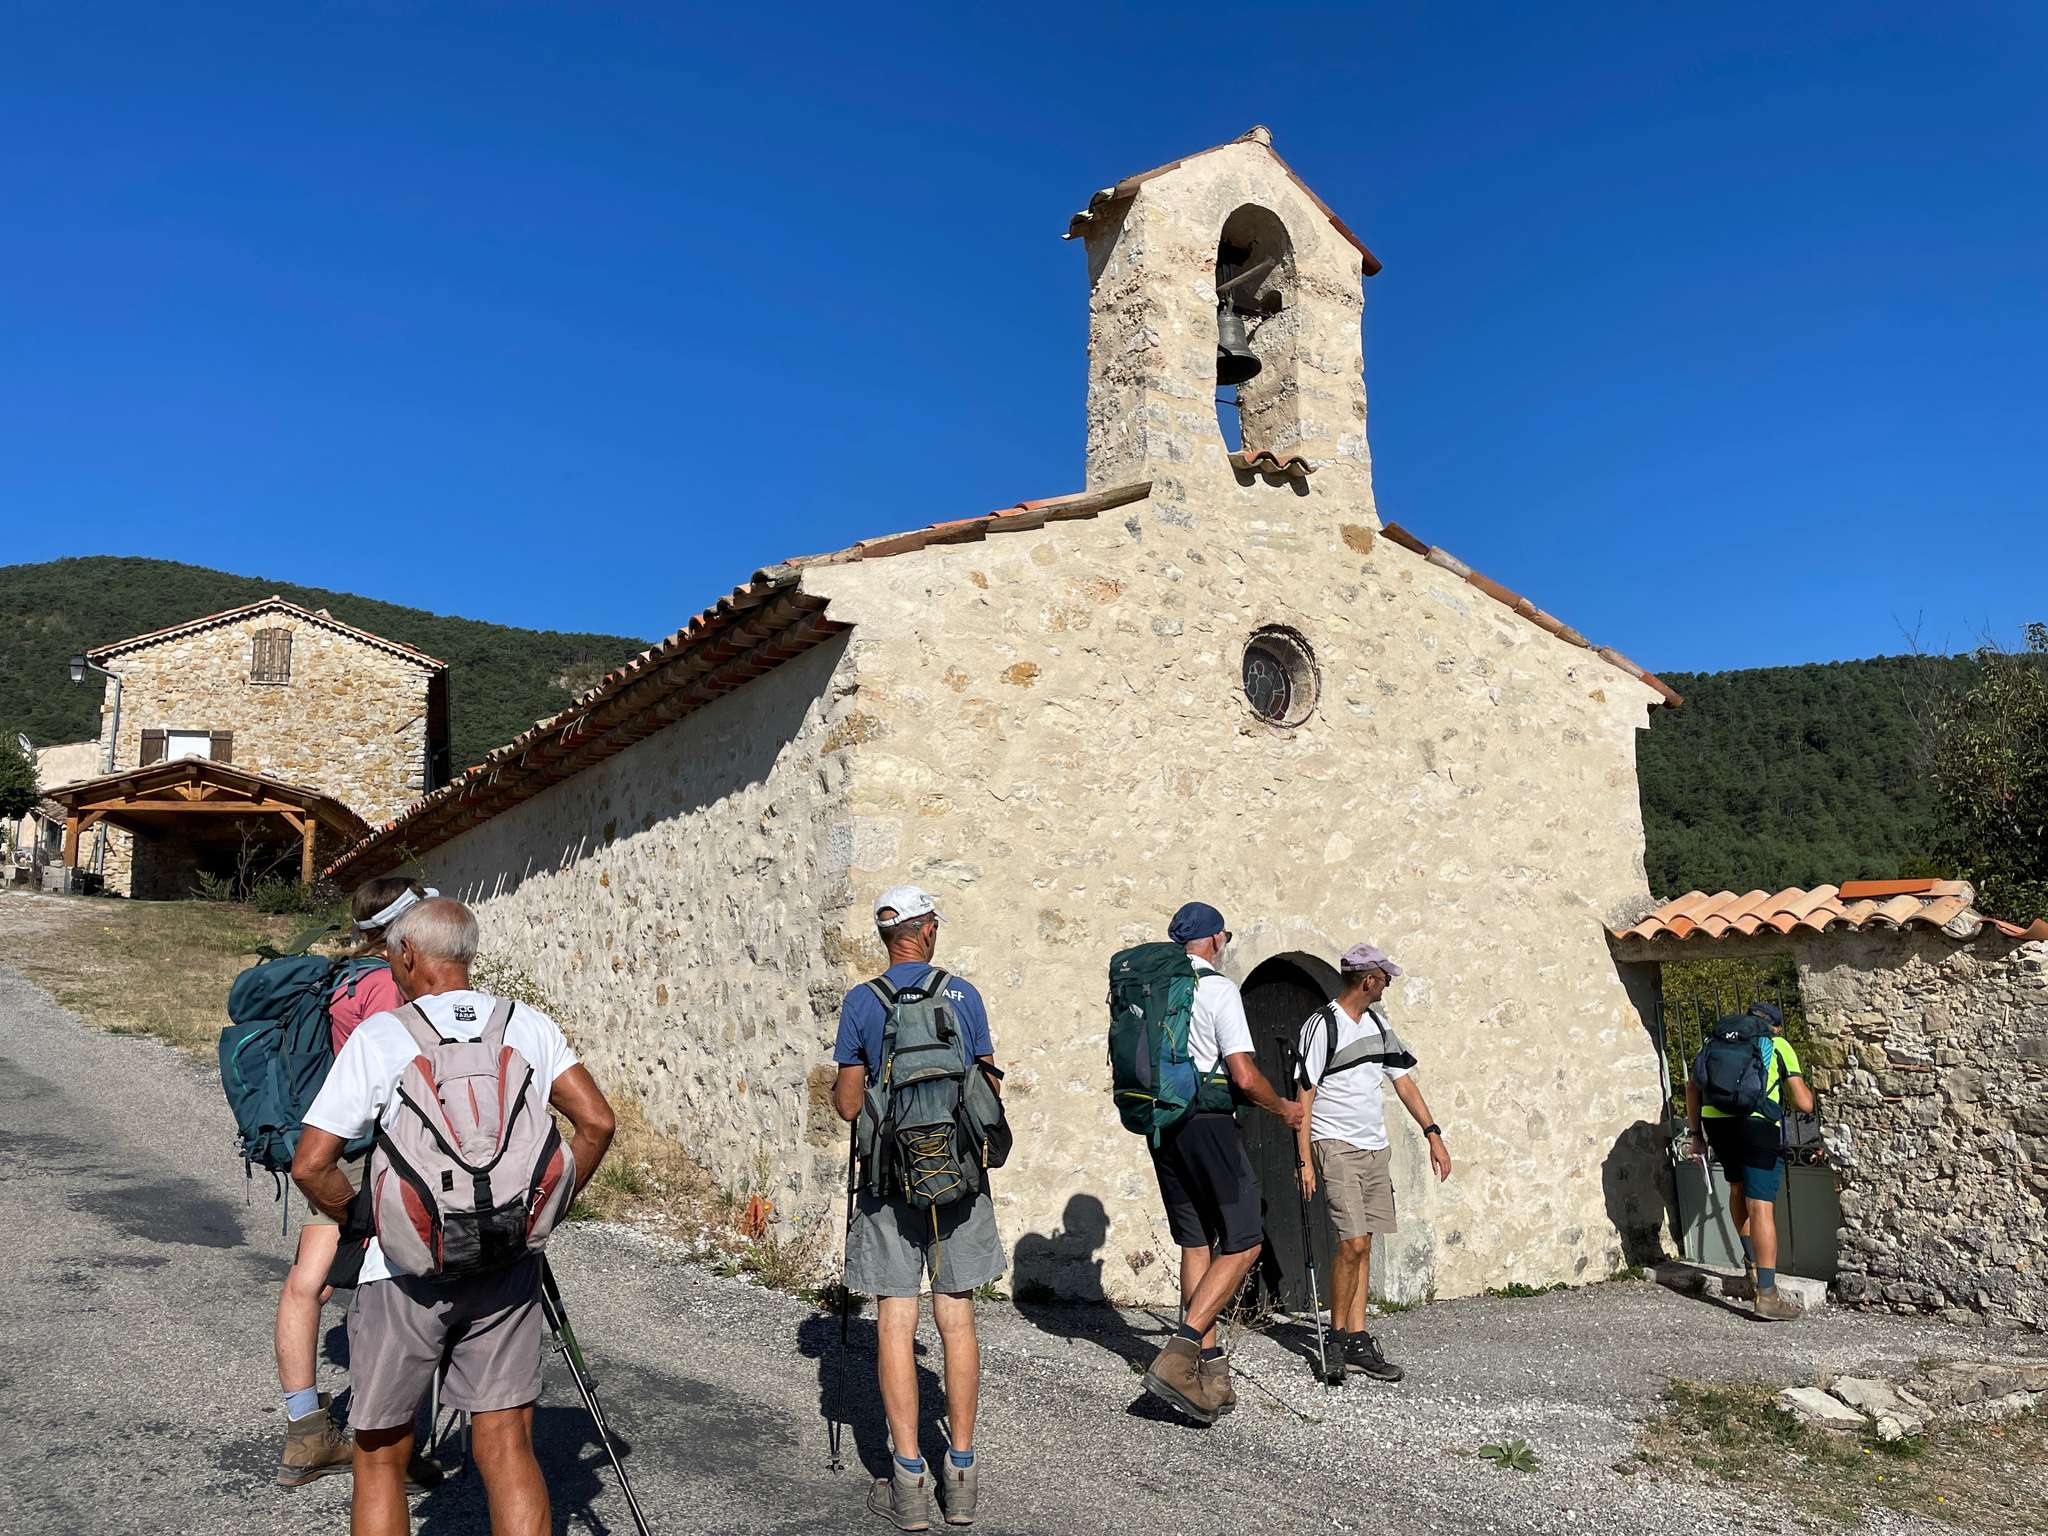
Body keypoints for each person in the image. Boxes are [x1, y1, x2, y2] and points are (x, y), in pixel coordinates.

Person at [293, 897, 617, 1536]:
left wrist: (368, 1221)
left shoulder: (383, 1035)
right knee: (508, 1445)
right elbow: (598, 1123)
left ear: (408, 954)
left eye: (392, 955)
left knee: (380, 1457)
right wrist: (542, 1212)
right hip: (507, 1261)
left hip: (404, 1271)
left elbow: (311, 1164)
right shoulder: (527, 1025)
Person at [832, 884, 1003, 1531]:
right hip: (956, 1180)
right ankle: (960, 1477)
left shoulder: (862, 1002)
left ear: (887, 936)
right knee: (956, 1318)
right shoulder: (963, 995)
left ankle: (907, 1484)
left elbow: (849, 1105)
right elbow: (987, 1086)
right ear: (926, 930)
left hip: (886, 1183)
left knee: (894, 1322)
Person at [272, 876, 426, 1488]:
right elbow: (401, 1075)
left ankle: (305, 1430)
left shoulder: (343, 977)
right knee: (394, 1288)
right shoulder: (388, 983)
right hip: (374, 1150)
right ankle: (386, 1442)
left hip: (334, 1143)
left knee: (307, 1283)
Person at [1139, 902, 1305, 1425]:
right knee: (1245, 1239)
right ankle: (1179, 1355)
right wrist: (1285, 1109)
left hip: (1163, 1123)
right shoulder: (1216, 988)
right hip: (1208, 1121)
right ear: (1213, 940)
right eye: (1225, 937)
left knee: (1196, 1242)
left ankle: (1208, 1368)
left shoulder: (1154, 989)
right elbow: (1244, 1076)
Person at [1293, 943, 1451, 1382]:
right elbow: (1304, 1093)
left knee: (1366, 1242)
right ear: (1368, 980)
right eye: (1385, 979)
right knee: (1352, 1243)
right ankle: (1337, 1337)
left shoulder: (1379, 1025)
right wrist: (1304, 1158)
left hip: (1375, 1148)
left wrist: (1432, 1133)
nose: (1388, 986)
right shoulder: (1322, 1025)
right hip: (1336, 1144)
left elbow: (1404, 1083)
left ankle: (1357, 1339)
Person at [1685, 1001, 1814, 1321]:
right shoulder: (1777, 1044)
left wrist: (1696, 1134)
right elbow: (1804, 1103)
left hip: (1716, 1123)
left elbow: (1692, 1088)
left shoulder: (1715, 1041)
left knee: (1737, 1188)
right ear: (1776, 1026)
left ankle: (1752, 1267)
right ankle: (1767, 1295)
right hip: (1757, 1126)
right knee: (1761, 1205)